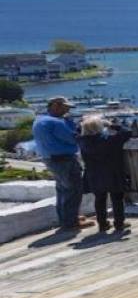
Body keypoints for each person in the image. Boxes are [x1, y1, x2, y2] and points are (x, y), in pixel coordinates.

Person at [30, 96, 87, 233]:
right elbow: (74, 139)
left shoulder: (39, 120)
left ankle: (66, 219)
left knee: (62, 190)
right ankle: (71, 222)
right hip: (64, 159)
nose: (67, 110)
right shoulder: (56, 122)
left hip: (50, 159)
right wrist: (70, 123)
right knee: (73, 190)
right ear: (56, 105)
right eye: (65, 107)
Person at [78, 113, 133, 235]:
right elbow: (127, 132)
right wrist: (112, 124)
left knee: (99, 199)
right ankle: (119, 223)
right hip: (113, 172)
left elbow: (78, 131)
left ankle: (102, 224)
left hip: (93, 174)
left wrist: (86, 124)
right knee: (117, 199)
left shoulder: (82, 142)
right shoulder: (108, 140)